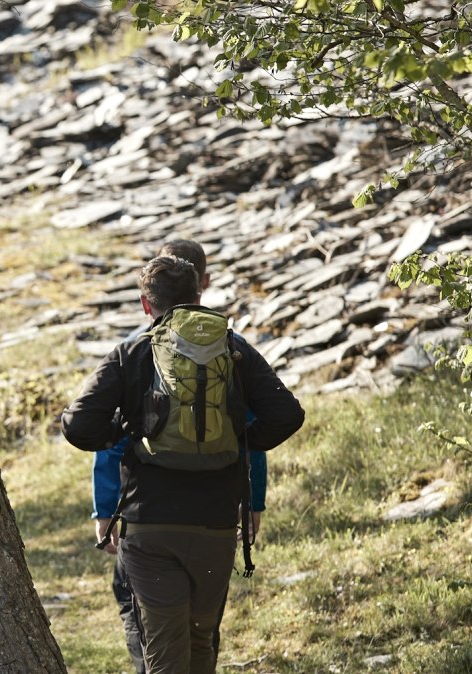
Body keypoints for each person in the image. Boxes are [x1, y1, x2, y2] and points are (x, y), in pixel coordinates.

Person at [62, 255, 304, 674]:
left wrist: (128, 432)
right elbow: (287, 414)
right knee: (200, 644)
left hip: (151, 526)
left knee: (164, 655)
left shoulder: (133, 351)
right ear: (197, 295)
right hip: (215, 524)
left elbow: (78, 425)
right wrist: (238, 441)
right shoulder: (235, 349)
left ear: (145, 304)